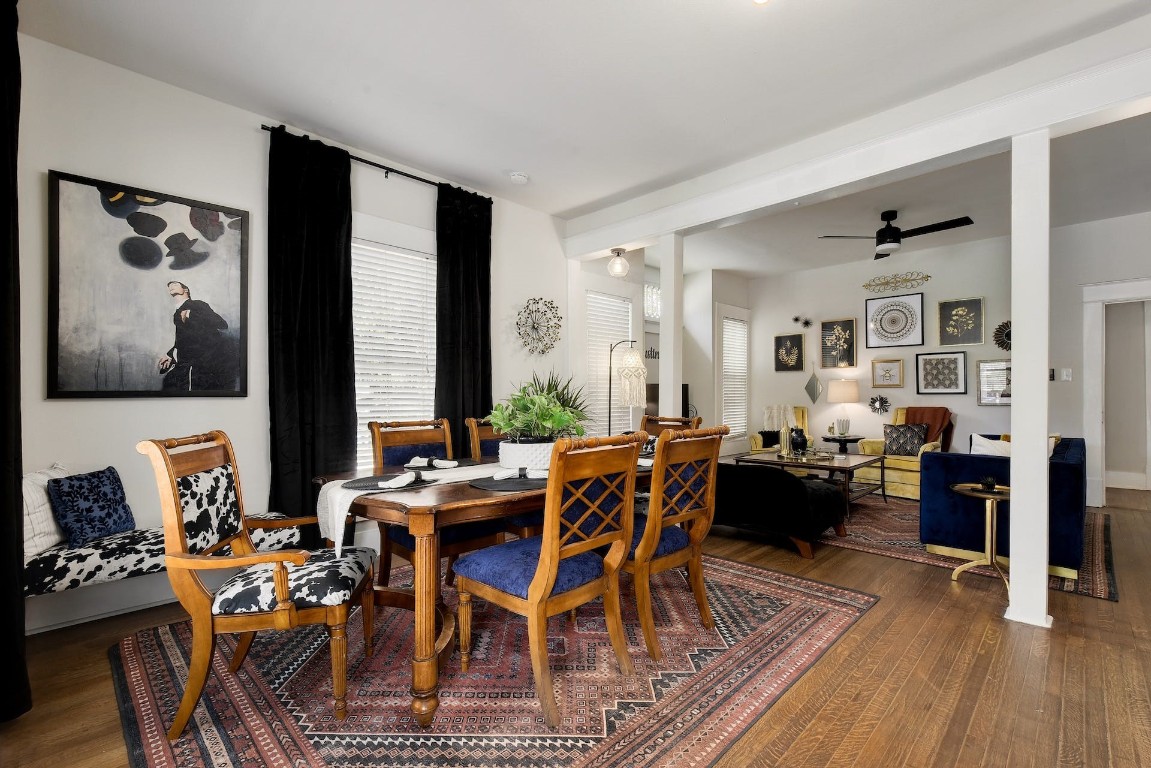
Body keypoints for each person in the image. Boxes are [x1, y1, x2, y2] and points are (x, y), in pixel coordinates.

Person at [156, 281, 237, 391]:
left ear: (185, 290)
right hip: (186, 366)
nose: (171, 286)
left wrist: (191, 314)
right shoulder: (176, 313)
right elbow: (183, 339)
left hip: (202, 366)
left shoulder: (198, 304)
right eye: (169, 286)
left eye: (175, 284)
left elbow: (222, 324)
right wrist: (170, 355)